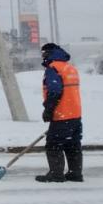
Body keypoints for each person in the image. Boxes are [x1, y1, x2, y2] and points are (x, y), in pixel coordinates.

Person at [37, 43, 83, 183]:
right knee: (72, 144)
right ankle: (75, 174)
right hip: (75, 114)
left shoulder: (53, 68)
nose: (42, 56)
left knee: (53, 144)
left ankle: (56, 174)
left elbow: (54, 91)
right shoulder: (70, 68)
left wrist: (48, 110)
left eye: (43, 53)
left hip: (62, 114)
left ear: (49, 53)